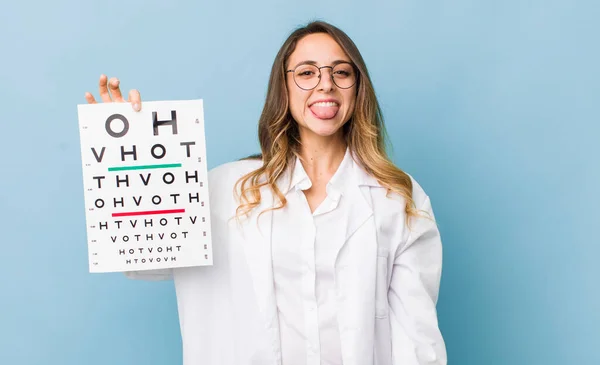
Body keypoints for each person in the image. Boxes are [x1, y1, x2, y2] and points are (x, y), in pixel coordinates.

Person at [85, 20, 447, 365]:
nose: (325, 84)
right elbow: (145, 258)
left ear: (357, 87)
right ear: (284, 89)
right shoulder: (224, 190)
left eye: (341, 72)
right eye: (306, 72)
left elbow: (418, 341)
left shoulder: (398, 198)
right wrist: (133, 149)